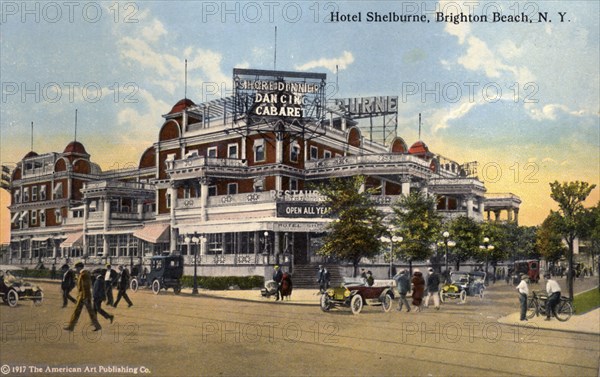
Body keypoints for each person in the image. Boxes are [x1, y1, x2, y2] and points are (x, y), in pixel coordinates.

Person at [64, 261, 102, 332]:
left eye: (76, 268)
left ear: (79, 267)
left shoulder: (84, 274)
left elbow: (86, 286)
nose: (75, 269)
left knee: (83, 312)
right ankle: (71, 327)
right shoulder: (82, 274)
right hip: (83, 296)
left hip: (84, 296)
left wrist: (85, 297)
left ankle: (71, 327)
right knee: (85, 312)